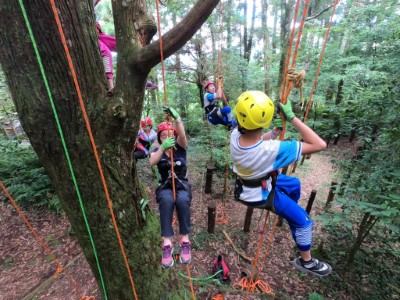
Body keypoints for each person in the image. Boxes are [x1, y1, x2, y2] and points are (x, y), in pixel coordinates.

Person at [230, 91, 332, 277]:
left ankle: (288, 212)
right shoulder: (273, 150)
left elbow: (256, 141)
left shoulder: (235, 136)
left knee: (294, 184)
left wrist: (274, 133)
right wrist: (292, 118)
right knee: (304, 222)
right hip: (260, 195)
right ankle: (307, 261)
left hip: (249, 184)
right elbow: (319, 144)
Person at [149, 107, 192, 268]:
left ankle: (185, 239)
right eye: (163, 136)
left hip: (181, 184)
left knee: (182, 201)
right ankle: (167, 243)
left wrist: (178, 118)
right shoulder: (156, 150)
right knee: (166, 201)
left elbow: (182, 135)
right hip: (166, 185)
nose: (167, 137)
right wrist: (162, 147)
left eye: (169, 135)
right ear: (159, 138)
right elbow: (152, 162)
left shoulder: (180, 147)